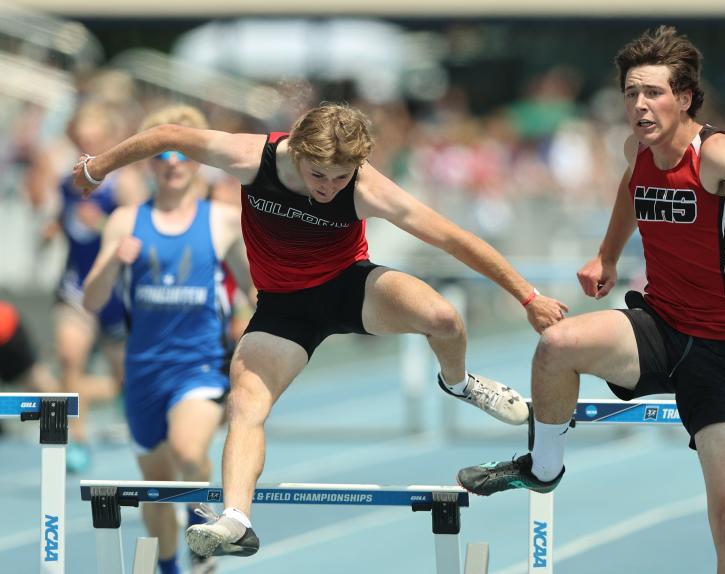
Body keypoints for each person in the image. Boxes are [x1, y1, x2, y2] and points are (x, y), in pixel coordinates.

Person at [71, 101, 569, 559]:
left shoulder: (365, 185)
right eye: (318, 175)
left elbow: (453, 238)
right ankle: (236, 520)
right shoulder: (254, 157)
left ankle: (458, 382)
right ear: (297, 151)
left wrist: (527, 295)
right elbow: (168, 134)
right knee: (245, 402)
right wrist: (98, 167)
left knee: (442, 318)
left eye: (340, 176)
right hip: (284, 309)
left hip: (348, 287)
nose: (329, 187)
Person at [457, 26, 725, 574]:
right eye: (632, 93)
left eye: (654, 92)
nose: (639, 104)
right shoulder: (636, 149)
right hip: (658, 328)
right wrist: (607, 257)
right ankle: (544, 467)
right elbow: (629, 191)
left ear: (684, 97)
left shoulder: (720, 155)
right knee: (558, 343)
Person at [83, 104, 252, 574]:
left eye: (183, 154)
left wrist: (255, 322)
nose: (173, 163)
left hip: (198, 366)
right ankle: (171, 566)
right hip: (143, 373)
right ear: (151, 161)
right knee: (156, 487)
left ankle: (203, 529)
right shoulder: (124, 220)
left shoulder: (221, 219)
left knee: (188, 450)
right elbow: (93, 301)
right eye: (163, 155)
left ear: (196, 159)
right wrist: (116, 260)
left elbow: (256, 289)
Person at [50, 101, 148, 472]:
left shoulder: (126, 183)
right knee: (69, 358)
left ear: (108, 141)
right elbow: (67, 224)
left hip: (115, 290)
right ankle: (77, 437)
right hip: (76, 286)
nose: (85, 150)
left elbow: (141, 237)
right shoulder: (65, 182)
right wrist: (52, 228)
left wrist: (104, 226)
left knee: (123, 374)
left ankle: (128, 399)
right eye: (80, 141)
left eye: (94, 142)